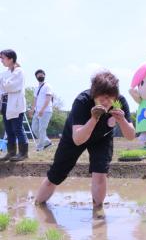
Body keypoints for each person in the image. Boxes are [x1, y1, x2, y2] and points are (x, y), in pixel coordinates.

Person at [35, 70, 135, 215]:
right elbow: (78, 139)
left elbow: (131, 136)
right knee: (56, 175)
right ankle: (38, 205)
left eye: (110, 97)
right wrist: (94, 118)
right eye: (102, 98)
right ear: (94, 94)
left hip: (102, 137)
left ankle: (98, 211)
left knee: (100, 173)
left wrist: (122, 120)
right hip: (76, 136)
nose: (106, 101)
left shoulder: (120, 102)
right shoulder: (82, 101)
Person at [0, 49, 28, 162]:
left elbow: (9, 86)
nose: (1, 61)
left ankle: (23, 152)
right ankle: (11, 152)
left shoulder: (19, 71)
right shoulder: (5, 73)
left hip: (15, 104)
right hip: (5, 103)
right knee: (8, 129)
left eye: (3, 58)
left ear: (11, 59)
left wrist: (3, 83)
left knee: (17, 128)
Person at [29, 69, 53, 151]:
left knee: (42, 129)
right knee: (34, 128)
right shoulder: (36, 88)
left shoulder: (47, 86)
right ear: (36, 77)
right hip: (37, 111)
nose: (40, 76)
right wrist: (32, 110)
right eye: (38, 75)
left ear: (44, 76)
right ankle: (47, 142)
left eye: (42, 75)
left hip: (46, 111)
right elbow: (35, 99)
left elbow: (48, 98)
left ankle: (40, 147)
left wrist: (42, 110)